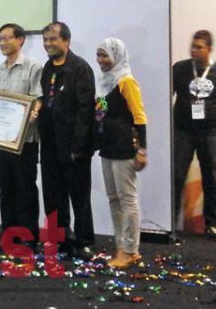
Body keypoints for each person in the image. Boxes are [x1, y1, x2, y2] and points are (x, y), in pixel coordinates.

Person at [172, 30, 216, 241]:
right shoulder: (179, 69)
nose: (194, 50)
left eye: (199, 47)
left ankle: (212, 224)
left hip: (210, 133)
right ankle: (171, 224)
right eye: (192, 46)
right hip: (182, 131)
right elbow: (166, 97)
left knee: (211, 178)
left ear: (209, 48)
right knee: (176, 177)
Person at [39, 22, 96, 259]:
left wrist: (78, 145)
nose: (48, 44)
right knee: (53, 195)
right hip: (49, 143)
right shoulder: (47, 68)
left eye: (53, 39)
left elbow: (86, 110)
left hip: (73, 146)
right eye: (45, 40)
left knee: (79, 196)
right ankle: (60, 240)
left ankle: (84, 242)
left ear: (66, 41)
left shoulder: (80, 68)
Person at [94, 38, 148, 268]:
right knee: (113, 198)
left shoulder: (126, 81)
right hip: (107, 146)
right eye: (99, 55)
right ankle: (120, 246)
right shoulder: (104, 81)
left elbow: (139, 116)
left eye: (105, 55)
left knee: (127, 199)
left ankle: (131, 249)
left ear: (117, 56)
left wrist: (142, 149)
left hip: (124, 147)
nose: (101, 60)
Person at [0, 24, 42, 243]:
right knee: (6, 189)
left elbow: (38, 99)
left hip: (25, 140)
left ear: (20, 40)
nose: (2, 42)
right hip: (1, 140)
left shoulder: (33, 68)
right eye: (0, 39)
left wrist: (34, 112)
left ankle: (28, 237)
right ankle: (9, 235)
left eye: (7, 38)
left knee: (25, 188)